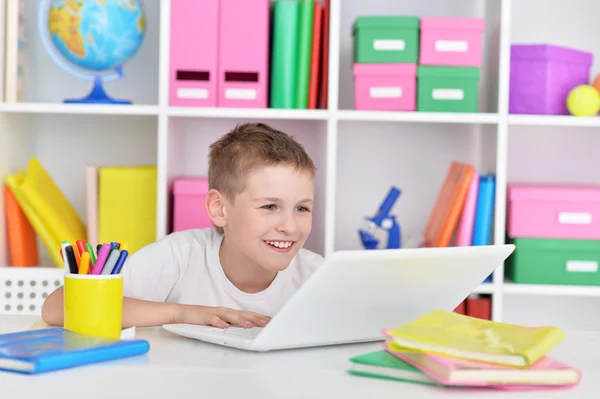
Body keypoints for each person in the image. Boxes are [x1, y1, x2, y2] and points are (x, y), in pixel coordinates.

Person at [41, 122, 324, 329]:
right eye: (269, 207)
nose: (289, 226)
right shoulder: (180, 256)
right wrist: (182, 313)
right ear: (219, 209)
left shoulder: (318, 276)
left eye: (302, 208)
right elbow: (56, 308)